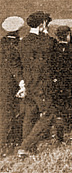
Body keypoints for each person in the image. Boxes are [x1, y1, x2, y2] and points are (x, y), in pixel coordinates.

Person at [17, 11, 56, 158]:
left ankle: (28, 149)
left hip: (28, 84)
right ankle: (25, 147)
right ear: (42, 24)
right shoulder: (45, 41)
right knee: (48, 114)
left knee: (30, 115)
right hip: (41, 84)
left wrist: (24, 85)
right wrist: (45, 33)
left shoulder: (23, 41)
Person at [52, 26, 72, 142]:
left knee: (60, 111)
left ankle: (59, 136)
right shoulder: (71, 50)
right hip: (70, 85)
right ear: (68, 35)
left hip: (57, 86)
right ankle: (69, 133)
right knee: (70, 109)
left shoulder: (54, 49)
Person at [1, 16, 25, 156]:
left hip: (2, 84)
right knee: (14, 112)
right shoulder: (17, 45)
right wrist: (21, 82)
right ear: (18, 31)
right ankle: (11, 141)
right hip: (12, 84)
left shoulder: (1, 43)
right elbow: (16, 67)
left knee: (4, 113)